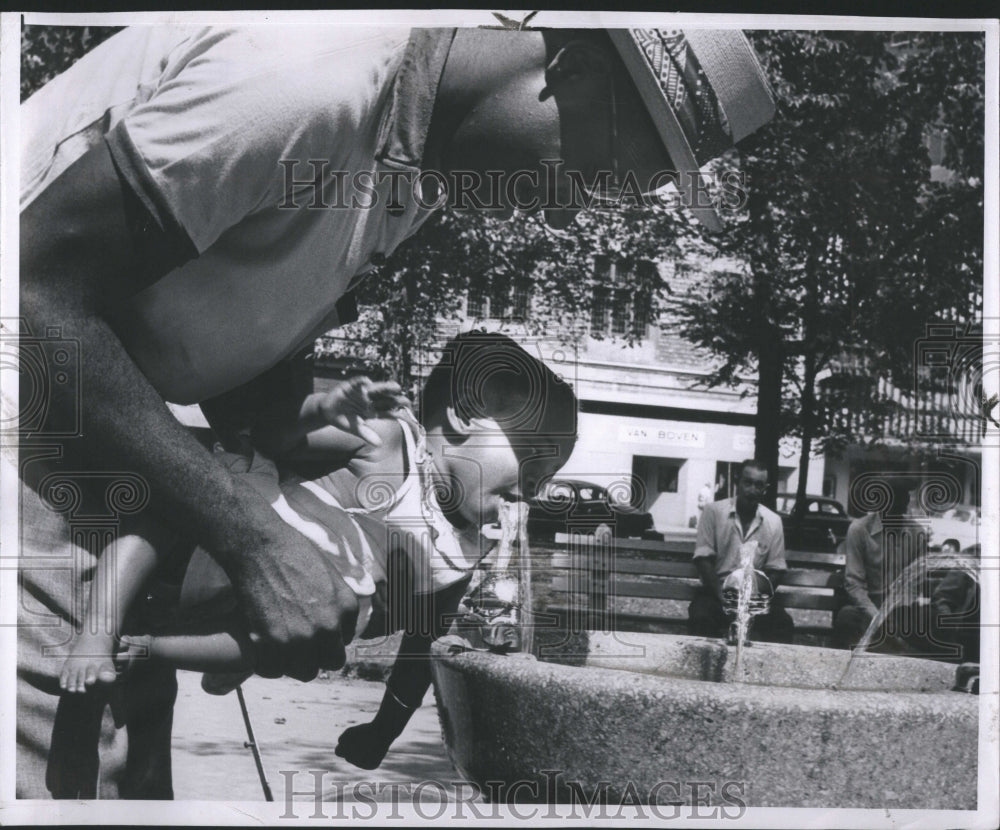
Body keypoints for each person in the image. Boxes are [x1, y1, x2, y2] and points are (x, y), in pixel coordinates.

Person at [17, 23, 775, 797]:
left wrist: (302, 571)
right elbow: (30, 290)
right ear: (572, 71)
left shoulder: (408, 176)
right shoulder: (309, 77)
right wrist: (256, 549)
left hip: (106, 433)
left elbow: (243, 372)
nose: (561, 218)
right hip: (35, 412)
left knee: (126, 788)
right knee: (66, 789)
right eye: (590, 177)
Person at [58, 331, 577, 771]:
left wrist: (384, 729)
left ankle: (142, 649)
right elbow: (273, 437)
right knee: (167, 507)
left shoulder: (462, 555)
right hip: (229, 532)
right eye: (533, 460)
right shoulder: (388, 442)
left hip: (289, 613)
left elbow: (420, 650)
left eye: (548, 477)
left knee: (286, 641)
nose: (536, 488)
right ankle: (98, 632)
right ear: (464, 416)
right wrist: (320, 410)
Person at [687, 460, 794, 642]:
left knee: (782, 623)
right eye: (748, 482)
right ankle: (706, 670)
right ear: (737, 482)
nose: (752, 490)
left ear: (764, 489)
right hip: (716, 593)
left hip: (755, 597)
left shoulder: (773, 521)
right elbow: (703, 559)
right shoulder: (713, 512)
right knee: (701, 617)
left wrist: (753, 600)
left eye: (758, 485)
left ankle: (763, 671)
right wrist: (723, 597)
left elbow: (776, 569)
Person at [832, 480, 923, 651]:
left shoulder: (917, 533)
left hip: (900, 608)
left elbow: (915, 584)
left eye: (904, 498)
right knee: (847, 617)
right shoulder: (859, 529)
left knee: (922, 623)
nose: (901, 505)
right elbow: (854, 583)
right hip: (866, 606)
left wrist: (896, 610)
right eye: (894, 499)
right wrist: (877, 617)